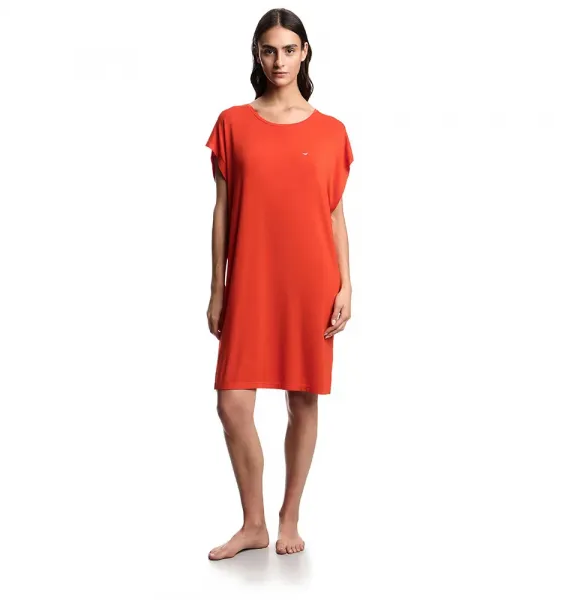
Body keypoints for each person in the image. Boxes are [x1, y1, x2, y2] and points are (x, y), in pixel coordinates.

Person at [205, 8, 354, 561]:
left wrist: (346, 286)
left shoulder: (332, 130)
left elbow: (334, 215)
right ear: (257, 54)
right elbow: (222, 211)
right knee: (232, 404)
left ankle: (289, 516)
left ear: (305, 52)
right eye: (269, 50)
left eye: (289, 50)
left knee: (302, 400)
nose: (279, 61)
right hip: (250, 280)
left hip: (311, 280)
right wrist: (218, 289)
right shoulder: (232, 123)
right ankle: (253, 523)